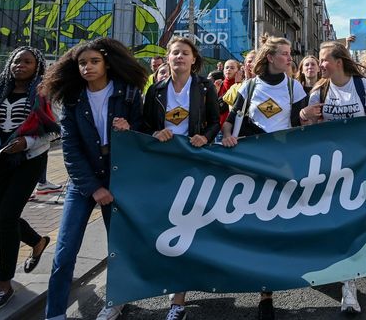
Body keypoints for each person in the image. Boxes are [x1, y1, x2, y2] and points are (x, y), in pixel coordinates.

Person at [41, 38, 147, 320]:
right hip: (83, 182)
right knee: (65, 250)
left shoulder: (128, 94)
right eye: (82, 63)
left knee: (118, 247)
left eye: (94, 61)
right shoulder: (72, 99)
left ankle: (116, 300)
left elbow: (143, 133)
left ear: (107, 64)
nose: (87, 67)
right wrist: (93, 187)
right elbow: (70, 149)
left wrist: (130, 128)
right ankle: (54, 313)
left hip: (118, 178)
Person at [221, 36, 307, 320]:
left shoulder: (294, 87)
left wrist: (307, 116)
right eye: (284, 53)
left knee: (279, 223)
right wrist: (228, 136)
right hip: (253, 165)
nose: (290, 58)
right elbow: (231, 120)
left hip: (284, 165)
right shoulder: (250, 86)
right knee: (259, 224)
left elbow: (304, 126)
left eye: (290, 53)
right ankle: (264, 290)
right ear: (270, 57)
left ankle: (275, 284)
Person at [0, 46, 61, 313]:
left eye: (26, 61)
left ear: (37, 66)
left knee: (8, 217)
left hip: (29, 161)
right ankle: (37, 242)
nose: (19, 65)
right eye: (15, 61)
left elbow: (55, 130)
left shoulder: (44, 93)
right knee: (0, 218)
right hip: (2, 160)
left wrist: (27, 142)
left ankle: (4, 285)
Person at [141, 36, 220, 320]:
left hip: (194, 164)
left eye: (185, 53)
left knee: (189, 225)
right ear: (168, 58)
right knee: (169, 225)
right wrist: (154, 133)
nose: (180, 57)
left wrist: (205, 137)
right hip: (164, 165)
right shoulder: (156, 90)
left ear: (193, 59)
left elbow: (215, 121)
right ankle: (175, 291)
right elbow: (144, 124)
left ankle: (180, 296)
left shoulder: (205, 87)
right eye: (175, 53)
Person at [300, 41, 366, 313]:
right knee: (333, 221)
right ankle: (338, 273)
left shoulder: (362, 86)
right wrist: (304, 115)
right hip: (329, 168)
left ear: (338, 62)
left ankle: (349, 284)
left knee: (352, 222)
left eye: (323, 59)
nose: (319, 64)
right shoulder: (319, 90)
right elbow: (309, 129)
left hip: (359, 166)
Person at [217, 59, 241, 126]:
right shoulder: (217, 85)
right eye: (226, 67)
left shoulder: (242, 86)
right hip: (218, 126)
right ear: (223, 70)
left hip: (234, 126)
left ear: (238, 71)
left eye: (232, 68)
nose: (229, 69)